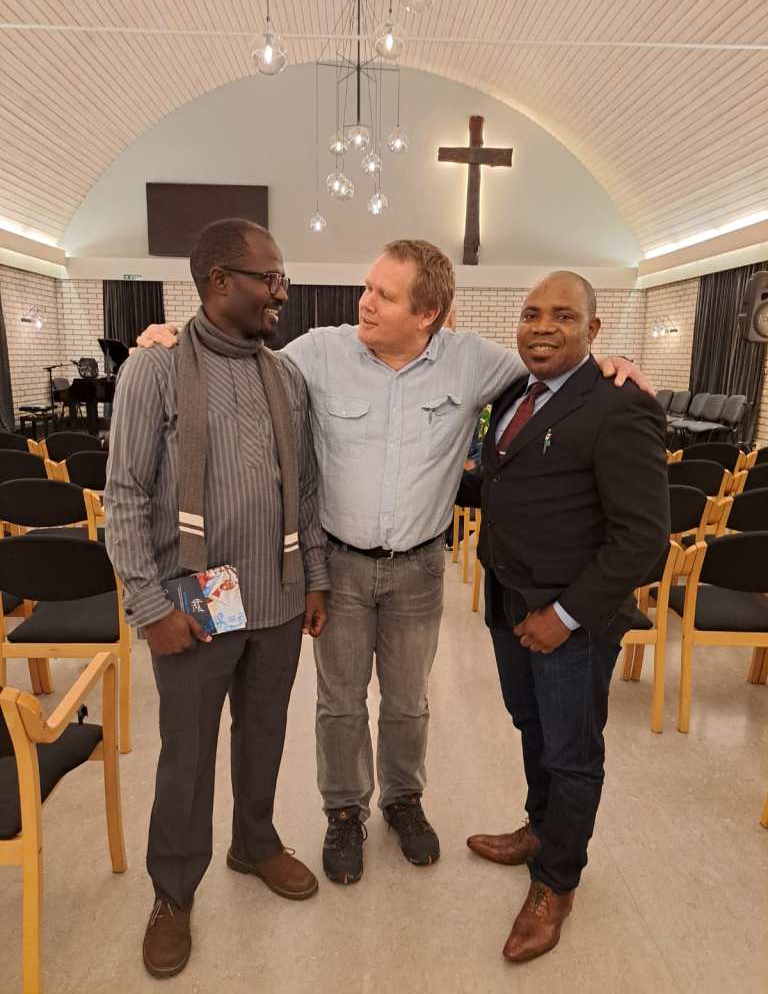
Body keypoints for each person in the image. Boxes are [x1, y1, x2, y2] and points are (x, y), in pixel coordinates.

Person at [138, 240, 650, 887]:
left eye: (383, 294)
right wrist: (172, 343)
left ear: (427, 313)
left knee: (408, 702)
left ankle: (404, 800)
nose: (365, 302)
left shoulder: (474, 362)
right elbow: (239, 370)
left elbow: (554, 373)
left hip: (419, 569)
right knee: (340, 702)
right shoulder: (319, 353)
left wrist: (609, 363)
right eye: (367, 287)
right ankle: (343, 811)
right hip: (340, 568)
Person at [105, 218, 330, 979]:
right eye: (270, 279)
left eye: (282, 279)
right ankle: (173, 890)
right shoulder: (156, 369)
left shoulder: (285, 376)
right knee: (189, 752)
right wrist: (149, 606)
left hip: (277, 593)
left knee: (264, 733)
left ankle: (254, 841)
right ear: (218, 281)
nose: (280, 293)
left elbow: (305, 488)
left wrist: (315, 578)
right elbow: (125, 494)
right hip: (199, 595)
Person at [458, 271, 669, 963]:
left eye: (562, 316)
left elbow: (644, 541)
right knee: (533, 728)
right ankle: (540, 828)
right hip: (509, 603)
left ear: (594, 330)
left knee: (573, 753)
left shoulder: (620, 405)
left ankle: (557, 882)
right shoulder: (514, 395)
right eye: (530, 314)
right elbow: (506, 482)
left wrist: (567, 615)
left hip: (570, 624)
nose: (542, 327)